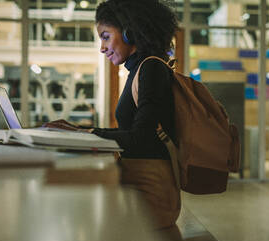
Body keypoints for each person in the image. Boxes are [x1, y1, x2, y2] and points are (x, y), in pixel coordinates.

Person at [45, 0, 180, 228]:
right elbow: (131, 132)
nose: (102, 47)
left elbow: (142, 139)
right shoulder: (140, 69)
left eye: (106, 36)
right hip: (141, 187)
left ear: (129, 32)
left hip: (151, 193)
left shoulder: (151, 68)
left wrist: (87, 134)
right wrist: (78, 131)